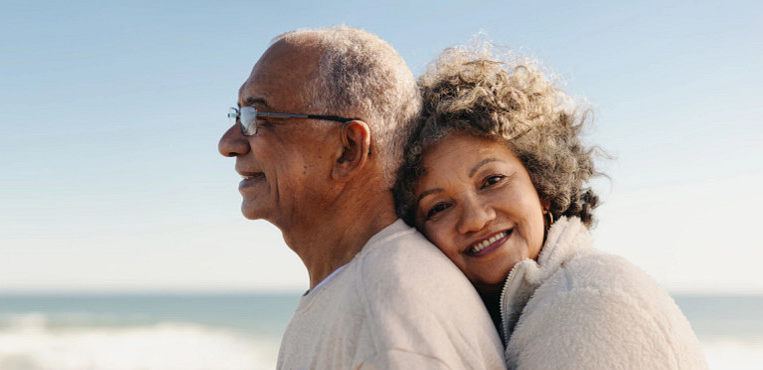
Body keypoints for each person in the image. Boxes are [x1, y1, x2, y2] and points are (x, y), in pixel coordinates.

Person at [393, 42, 708, 369]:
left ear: (542, 186)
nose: (475, 219)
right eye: (439, 207)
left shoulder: (584, 303)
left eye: (492, 180)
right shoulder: (511, 315)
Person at [218, 26, 504, 370]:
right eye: (239, 115)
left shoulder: (384, 320)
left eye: (256, 117)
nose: (228, 144)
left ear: (348, 150)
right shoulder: (360, 292)